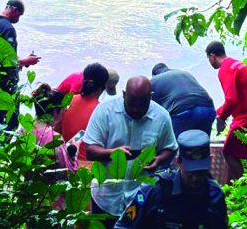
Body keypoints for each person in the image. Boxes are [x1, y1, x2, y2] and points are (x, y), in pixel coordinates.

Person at [83, 76, 178, 224]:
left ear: (151, 97)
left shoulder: (161, 117)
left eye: (142, 105)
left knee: (134, 225)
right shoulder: (104, 111)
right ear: (123, 94)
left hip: (139, 196)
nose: (136, 109)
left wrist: (158, 159)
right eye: (132, 103)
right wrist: (112, 154)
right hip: (105, 196)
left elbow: (170, 148)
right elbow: (90, 150)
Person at [116, 130, 228, 229]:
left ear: (211, 160)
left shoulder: (215, 195)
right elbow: (123, 225)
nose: (196, 178)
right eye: (191, 172)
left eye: (201, 171)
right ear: (178, 161)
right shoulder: (150, 191)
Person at [205, 41, 247, 183]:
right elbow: (236, 99)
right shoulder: (236, 64)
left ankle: (244, 187)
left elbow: (231, 100)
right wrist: (214, 112)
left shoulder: (224, 69)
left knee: (228, 151)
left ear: (212, 56)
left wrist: (221, 118)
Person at [0, 0, 41, 145]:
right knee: (11, 120)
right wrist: (25, 61)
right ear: (14, 10)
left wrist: (19, 61)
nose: (18, 19)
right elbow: (9, 61)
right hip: (5, 83)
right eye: (19, 15)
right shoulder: (8, 28)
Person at [56, 62, 110, 160]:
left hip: (64, 160)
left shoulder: (68, 101)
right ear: (104, 87)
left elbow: (56, 130)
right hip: (86, 166)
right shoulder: (102, 111)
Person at [150, 63, 216, 137]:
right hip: (208, 110)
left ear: (154, 75)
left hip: (182, 112)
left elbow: (153, 110)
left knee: (177, 145)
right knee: (202, 143)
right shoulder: (185, 73)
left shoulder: (154, 80)